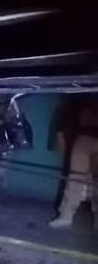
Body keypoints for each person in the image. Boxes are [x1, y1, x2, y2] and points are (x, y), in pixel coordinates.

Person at [49, 94, 98, 229]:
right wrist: (60, 136)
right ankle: (66, 216)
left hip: (86, 136)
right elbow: (67, 112)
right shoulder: (81, 93)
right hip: (83, 137)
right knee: (74, 179)